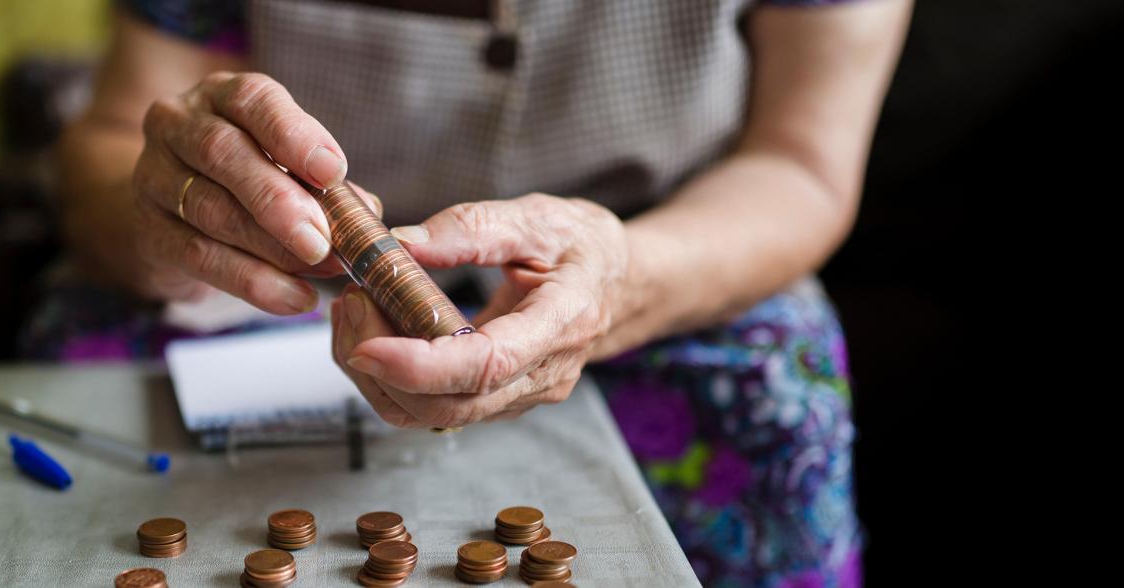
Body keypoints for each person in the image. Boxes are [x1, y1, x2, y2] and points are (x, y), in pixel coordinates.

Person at [44, 1, 910, 585]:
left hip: (671, 250)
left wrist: (628, 278)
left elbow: (801, 165)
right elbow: (118, 134)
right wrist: (165, 213)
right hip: (282, 270)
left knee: (777, 406)